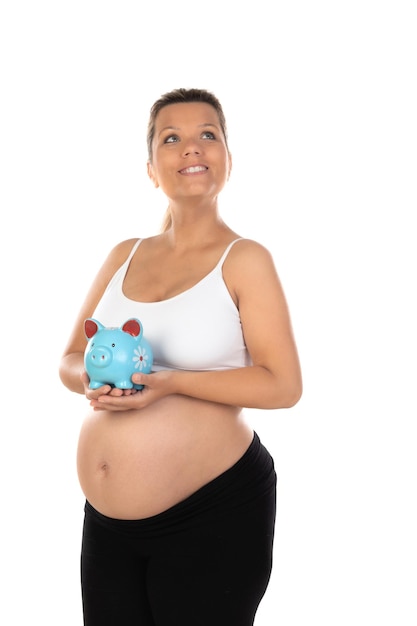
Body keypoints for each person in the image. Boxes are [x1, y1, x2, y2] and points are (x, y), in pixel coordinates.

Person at [59, 87, 302, 626]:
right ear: (151, 168)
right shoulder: (125, 255)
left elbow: (282, 385)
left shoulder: (245, 259)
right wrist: (90, 384)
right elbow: (71, 359)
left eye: (207, 136)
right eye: (172, 138)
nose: (191, 148)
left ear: (228, 161)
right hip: (107, 525)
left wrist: (170, 381)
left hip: (213, 515)